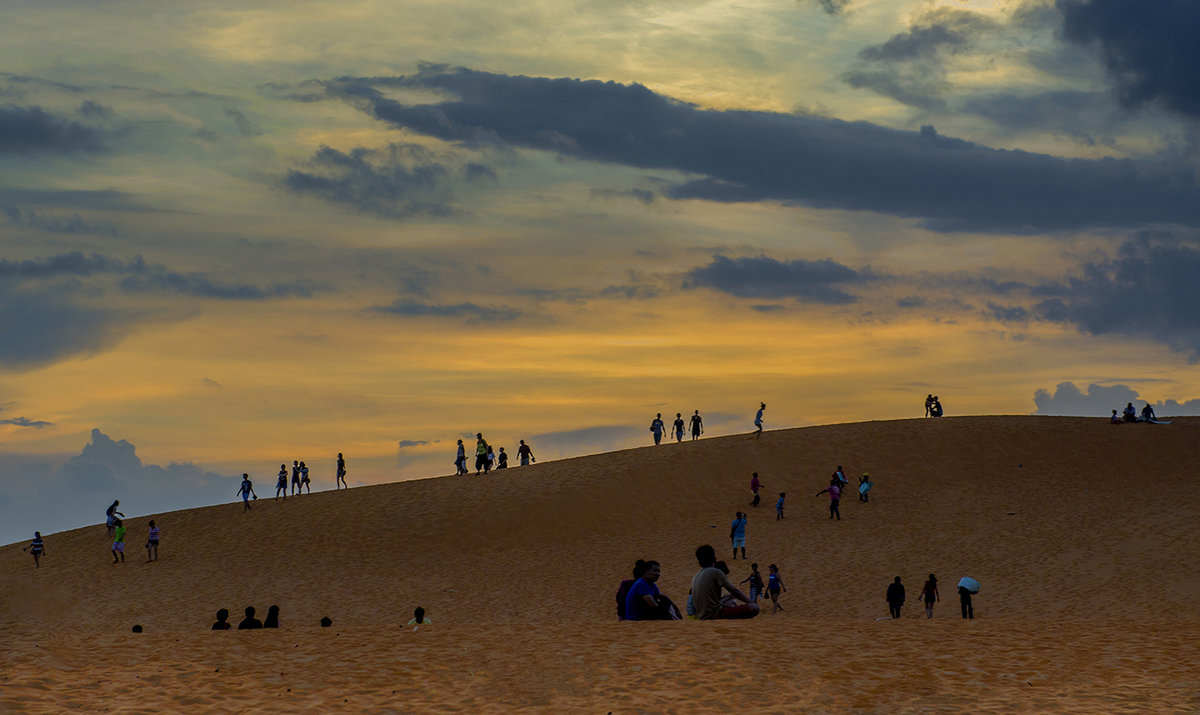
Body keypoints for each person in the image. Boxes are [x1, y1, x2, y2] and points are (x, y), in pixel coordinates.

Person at [690, 544, 758, 619]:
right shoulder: (715, 572)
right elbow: (734, 591)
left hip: (700, 615)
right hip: (714, 614)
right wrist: (750, 601)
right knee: (753, 607)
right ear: (714, 558)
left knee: (731, 601)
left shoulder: (696, 575)